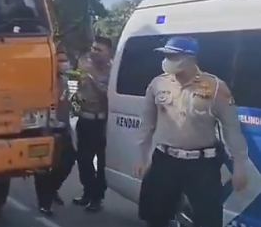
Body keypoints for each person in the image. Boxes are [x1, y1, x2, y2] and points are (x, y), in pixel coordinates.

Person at [136, 36, 248, 227]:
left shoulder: (215, 87)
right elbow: (147, 124)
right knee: (155, 216)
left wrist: (239, 166)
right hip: (165, 160)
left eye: (173, 56)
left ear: (191, 58)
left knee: (208, 219)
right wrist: (141, 156)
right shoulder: (158, 84)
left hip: (202, 165)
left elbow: (231, 128)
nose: (167, 61)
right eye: (166, 56)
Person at [34, 50, 76, 215]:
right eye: (60, 60)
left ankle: (51, 189)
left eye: (66, 60)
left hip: (63, 127)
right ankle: (44, 202)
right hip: (45, 129)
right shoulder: (43, 81)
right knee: (43, 167)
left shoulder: (64, 80)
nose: (64, 64)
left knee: (68, 161)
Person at [73, 36, 112, 212]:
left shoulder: (112, 71)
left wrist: (94, 82)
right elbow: (75, 85)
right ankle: (87, 192)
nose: (94, 52)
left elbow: (110, 95)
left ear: (108, 53)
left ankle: (97, 197)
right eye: (93, 48)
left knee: (101, 161)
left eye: (99, 50)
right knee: (83, 160)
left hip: (102, 122)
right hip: (84, 118)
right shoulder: (83, 64)